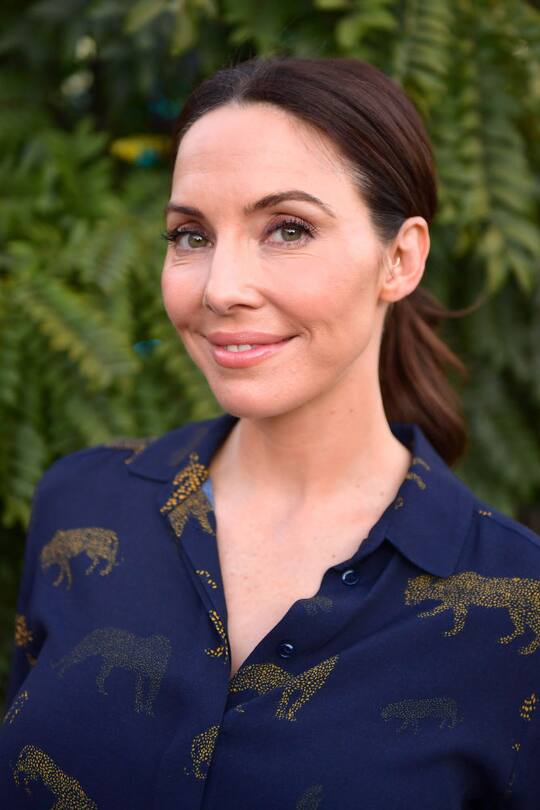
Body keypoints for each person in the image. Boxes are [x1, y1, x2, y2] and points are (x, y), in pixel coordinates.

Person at [1, 55, 539, 810]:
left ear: (401, 258)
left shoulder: (520, 610)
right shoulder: (80, 504)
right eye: (189, 235)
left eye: (287, 229)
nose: (221, 288)